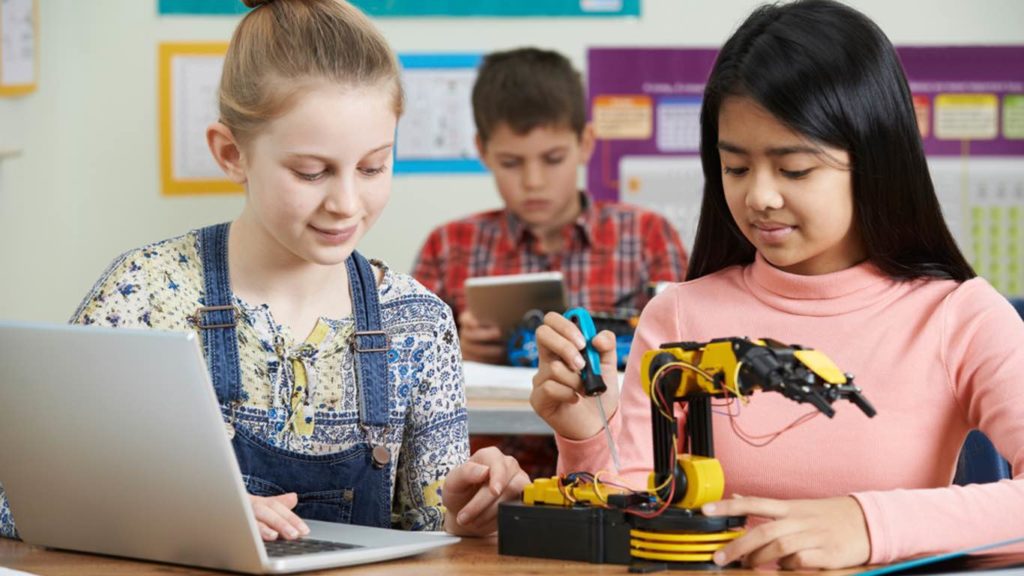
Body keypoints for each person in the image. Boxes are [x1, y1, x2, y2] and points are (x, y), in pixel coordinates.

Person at [0, 0, 527, 542]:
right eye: (311, 171)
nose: (347, 202)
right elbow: (17, 501)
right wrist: (183, 512)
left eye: (373, 166)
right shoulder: (145, 296)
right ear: (231, 154)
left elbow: (437, 532)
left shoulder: (417, 323)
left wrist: (471, 519)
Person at [530, 0, 1024, 570]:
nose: (759, 197)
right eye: (735, 168)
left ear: (874, 158)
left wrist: (867, 523)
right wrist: (586, 436)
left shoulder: (959, 317)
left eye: (794, 169)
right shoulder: (679, 318)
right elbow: (638, 522)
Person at [412, 47, 689, 366]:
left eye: (553, 159)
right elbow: (405, 364)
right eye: (511, 162)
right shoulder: (447, 246)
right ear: (482, 152)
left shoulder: (648, 235)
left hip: (612, 414)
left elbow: (685, 348)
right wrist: (452, 350)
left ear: (585, 144)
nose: (533, 181)